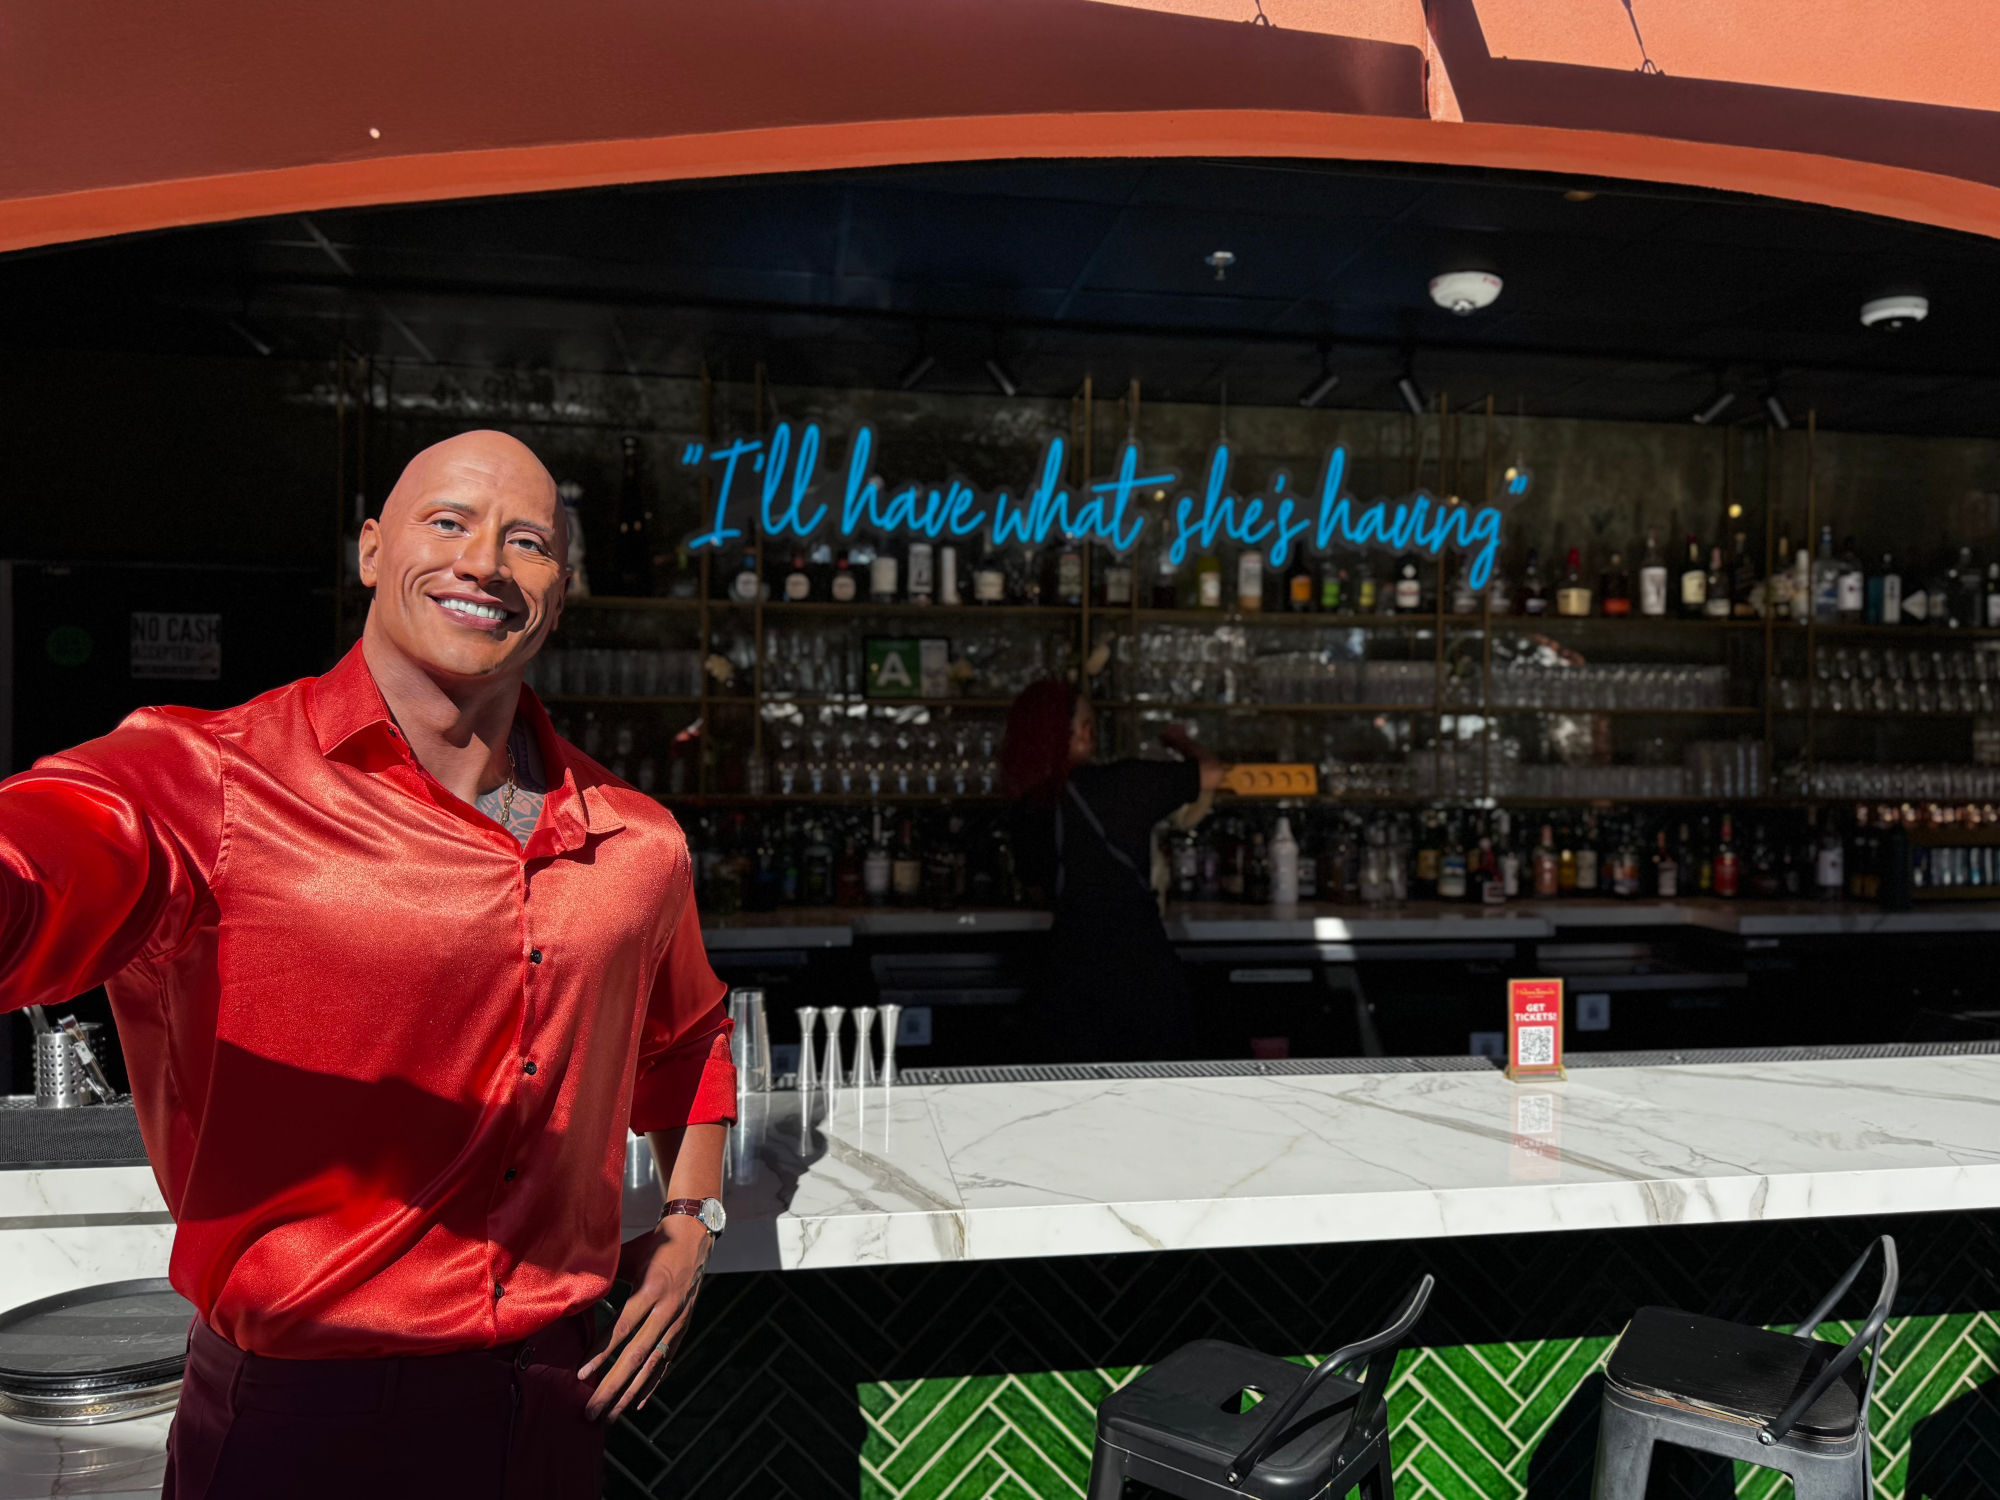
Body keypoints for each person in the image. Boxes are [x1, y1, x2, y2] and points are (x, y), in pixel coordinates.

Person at [0, 431, 734, 1498]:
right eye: (449, 522)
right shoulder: (211, 778)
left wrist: (691, 1220)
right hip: (305, 1425)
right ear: (372, 550)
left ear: (561, 594)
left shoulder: (636, 840)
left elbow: (687, 1038)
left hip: (552, 1405)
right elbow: (46, 858)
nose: (484, 561)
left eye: (528, 542)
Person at [1001, 679, 1227, 1062]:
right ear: (1084, 732)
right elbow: (1212, 773)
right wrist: (1181, 741)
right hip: (1138, 974)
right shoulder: (1122, 784)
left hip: (1065, 981)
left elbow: (1036, 885)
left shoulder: (1025, 806)